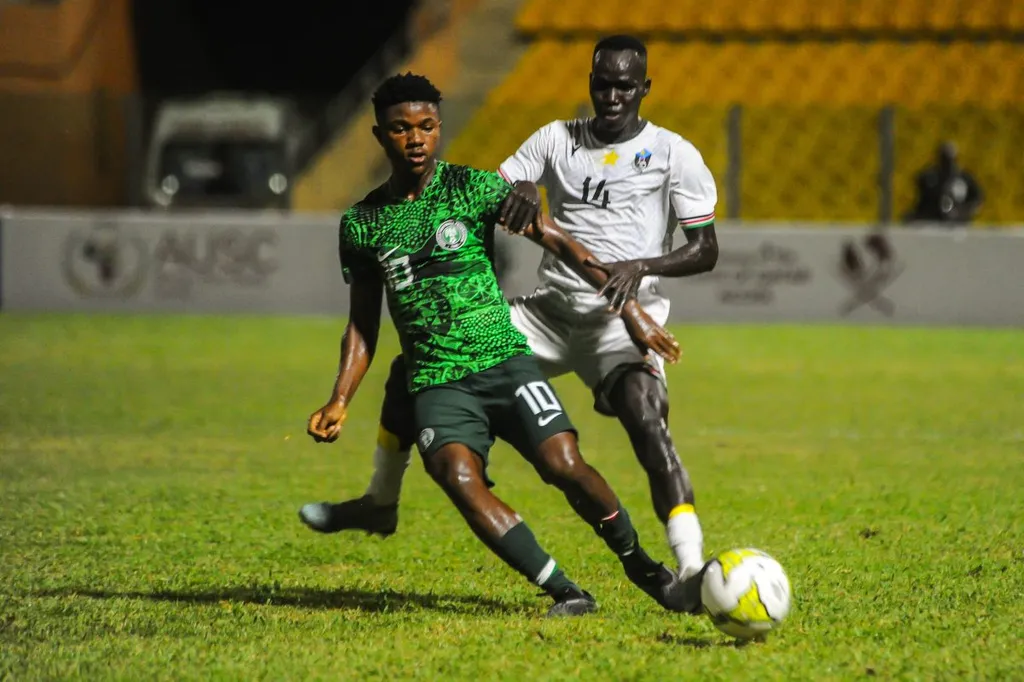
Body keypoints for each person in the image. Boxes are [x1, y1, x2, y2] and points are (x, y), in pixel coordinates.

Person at [302, 35, 719, 603]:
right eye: (603, 83)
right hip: (545, 315)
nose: (613, 95)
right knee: (414, 372)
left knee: (631, 427)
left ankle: (682, 566)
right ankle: (382, 501)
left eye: (625, 85)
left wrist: (637, 306)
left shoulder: (672, 153)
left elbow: (688, 247)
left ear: (644, 88)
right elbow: (515, 185)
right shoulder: (552, 139)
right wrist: (340, 397)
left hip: (607, 322)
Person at [904, 141, 984, 224]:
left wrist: (962, 212)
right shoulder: (929, 178)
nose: (948, 163)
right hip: (932, 223)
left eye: (950, 159)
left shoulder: (964, 178)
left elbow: (977, 199)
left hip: (957, 224)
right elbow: (922, 202)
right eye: (944, 159)